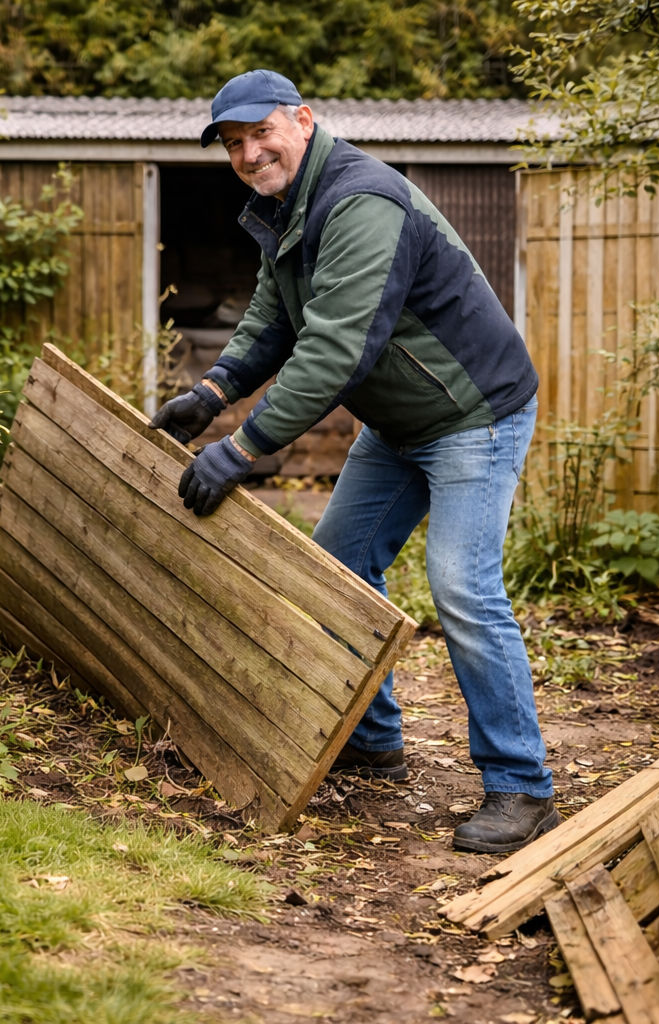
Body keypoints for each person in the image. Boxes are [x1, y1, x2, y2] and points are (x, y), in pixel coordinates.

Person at [151, 70, 556, 853]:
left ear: (302, 120)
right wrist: (211, 390)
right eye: (233, 144)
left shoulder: (361, 200)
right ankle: (374, 744)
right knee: (338, 572)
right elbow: (273, 318)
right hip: (399, 421)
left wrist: (241, 449)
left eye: (259, 133)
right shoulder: (284, 206)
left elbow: (336, 347)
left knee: (462, 589)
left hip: (476, 414)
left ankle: (522, 787)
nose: (248, 153)